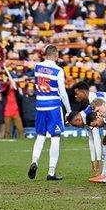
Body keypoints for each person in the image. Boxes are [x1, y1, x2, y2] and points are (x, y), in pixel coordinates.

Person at [28, 45, 72, 181]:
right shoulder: (58, 70)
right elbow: (63, 93)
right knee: (55, 138)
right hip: (53, 106)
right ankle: (51, 172)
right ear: (56, 55)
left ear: (45, 54)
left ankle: (34, 161)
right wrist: (69, 110)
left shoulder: (37, 67)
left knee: (40, 136)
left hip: (40, 105)